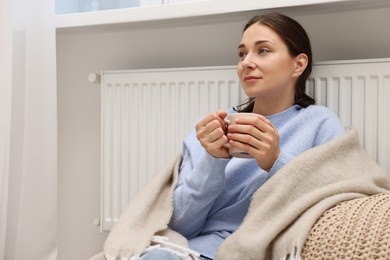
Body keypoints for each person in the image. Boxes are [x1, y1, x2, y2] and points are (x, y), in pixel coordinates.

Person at [140, 12, 345, 260]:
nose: (246, 62)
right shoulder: (211, 129)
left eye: (263, 51)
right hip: (195, 251)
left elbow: (334, 206)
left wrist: (275, 160)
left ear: (298, 65)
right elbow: (183, 226)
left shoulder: (318, 124)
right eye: (242, 53)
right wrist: (212, 160)